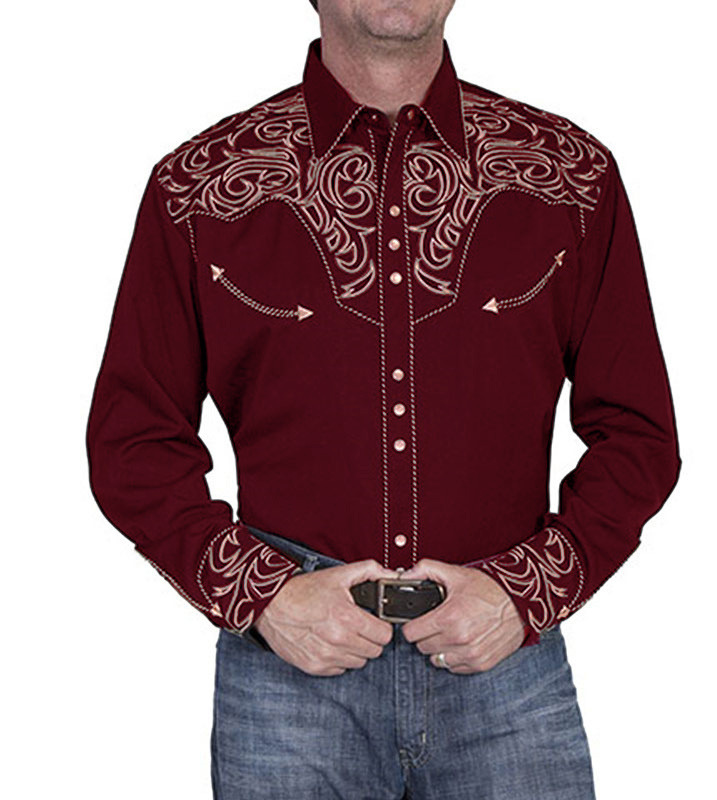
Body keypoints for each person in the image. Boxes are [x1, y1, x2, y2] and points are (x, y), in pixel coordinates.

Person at [86, 0, 681, 796]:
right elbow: (133, 439)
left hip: (504, 660)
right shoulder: (198, 189)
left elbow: (638, 433)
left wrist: (526, 592)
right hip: (291, 671)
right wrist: (264, 597)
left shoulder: (570, 177)